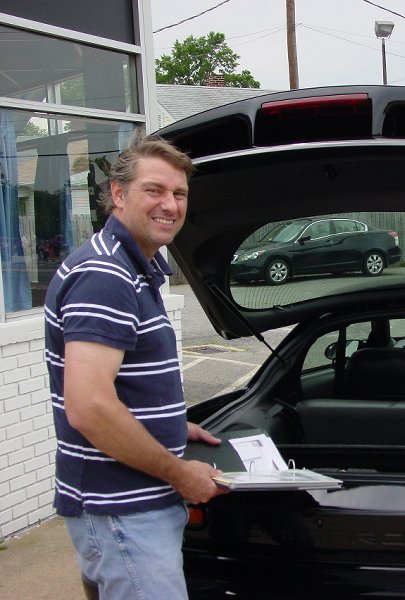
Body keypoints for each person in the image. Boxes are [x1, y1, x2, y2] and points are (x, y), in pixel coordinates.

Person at [44, 135, 226, 599]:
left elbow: (115, 386)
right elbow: (87, 407)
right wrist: (180, 473)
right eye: (155, 190)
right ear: (119, 193)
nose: (170, 205)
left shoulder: (131, 267)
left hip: (128, 507)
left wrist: (167, 423)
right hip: (122, 512)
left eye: (179, 194)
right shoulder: (105, 277)